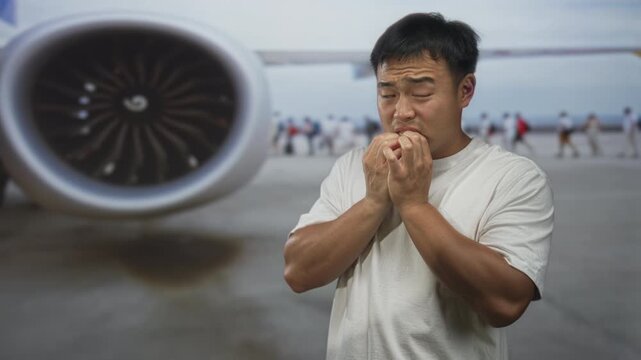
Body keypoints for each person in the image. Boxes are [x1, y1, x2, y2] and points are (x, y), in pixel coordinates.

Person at [284, 13, 553, 360]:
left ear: (465, 90)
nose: (401, 111)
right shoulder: (355, 166)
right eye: (387, 93)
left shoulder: (512, 177)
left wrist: (414, 205)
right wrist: (373, 201)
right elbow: (298, 272)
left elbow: (504, 303)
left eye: (421, 93)